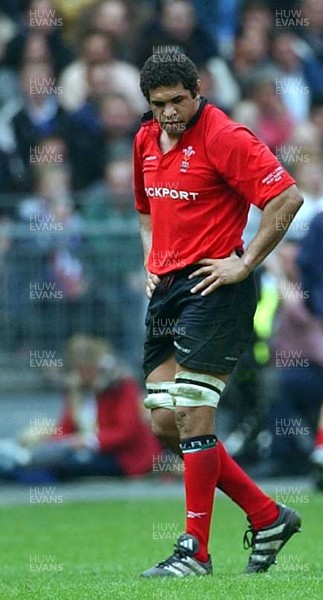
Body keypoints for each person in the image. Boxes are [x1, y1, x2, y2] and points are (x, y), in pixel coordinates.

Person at [133, 51, 303, 577]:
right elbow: (144, 210)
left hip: (215, 286)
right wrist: (150, 259)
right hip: (167, 292)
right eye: (159, 105)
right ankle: (267, 514)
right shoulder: (144, 139)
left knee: (192, 414)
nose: (169, 113)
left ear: (197, 89)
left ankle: (195, 551)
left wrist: (245, 261)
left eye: (177, 101)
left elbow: (287, 197)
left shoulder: (226, 136)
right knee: (164, 423)